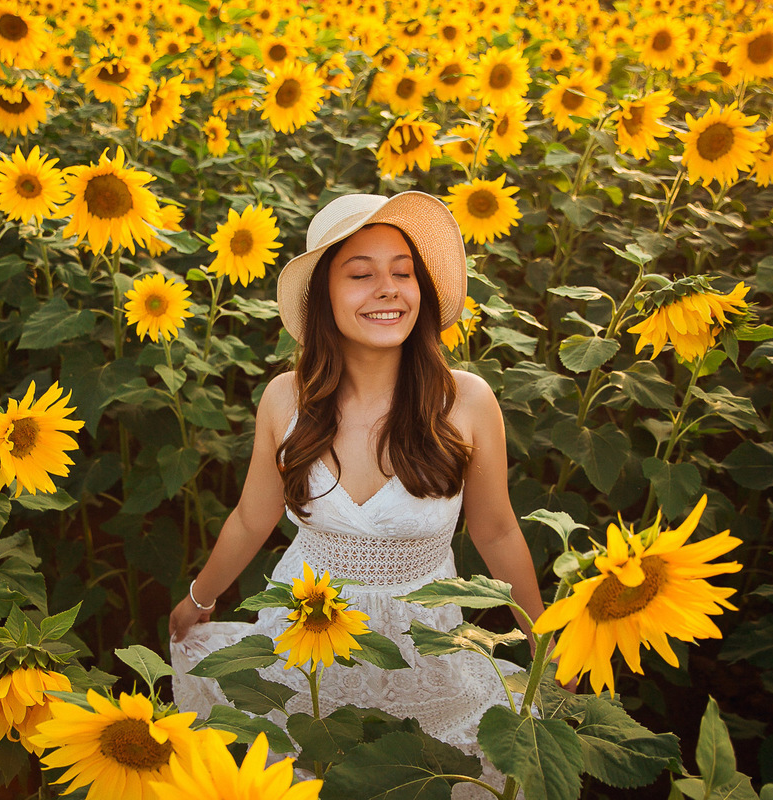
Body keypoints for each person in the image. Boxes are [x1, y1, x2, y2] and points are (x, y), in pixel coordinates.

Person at [169, 191, 546, 792]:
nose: (388, 288)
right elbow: (251, 517)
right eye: (361, 274)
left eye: (403, 272)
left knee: (424, 775)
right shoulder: (286, 400)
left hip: (425, 646)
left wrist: (542, 636)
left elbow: (495, 528)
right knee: (303, 765)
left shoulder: (466, 401)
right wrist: (202, 595)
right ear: (324, 296)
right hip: (305, 632)